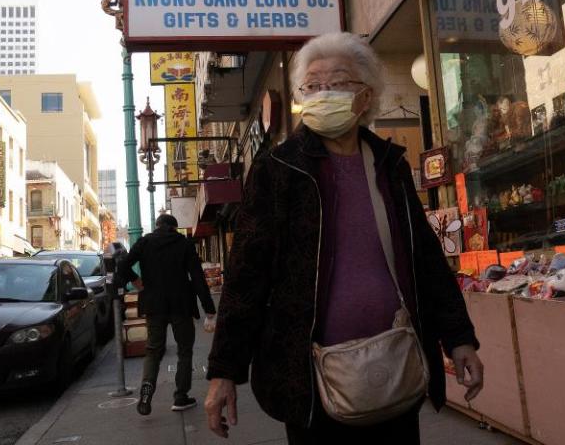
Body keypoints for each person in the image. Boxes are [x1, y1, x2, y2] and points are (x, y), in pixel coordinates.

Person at [204, 32, 483, 443]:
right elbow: (247, 274)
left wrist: (459, 338)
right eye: (312, 86)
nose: (323, 93)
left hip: (396, 362)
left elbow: (424, 258)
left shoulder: (390, 166)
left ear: (365, 97)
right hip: (312, 379)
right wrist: (224, 371)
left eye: (336, 82)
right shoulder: (278, 169)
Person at [124, 213, 216, 415]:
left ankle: (147, 390)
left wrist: (135, 280)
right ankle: (181, 397)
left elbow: (122, 263)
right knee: (184, 351)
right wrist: (209, 309)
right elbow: (198, 277)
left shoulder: (145, 242)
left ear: (157, 226)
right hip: (181, 306)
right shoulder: (183, 243)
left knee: (153, 351)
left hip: (153, 306)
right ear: (174, 228)